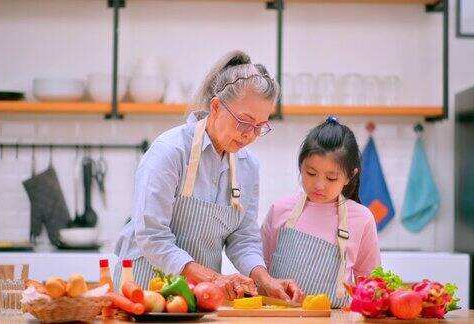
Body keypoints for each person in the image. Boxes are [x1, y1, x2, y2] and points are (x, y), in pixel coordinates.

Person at [113, 50, 303, 302]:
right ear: (215, 107)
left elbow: (242, 238)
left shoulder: (248, 166)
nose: (250, 135)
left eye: (260, 127)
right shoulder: (170, 151)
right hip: (144, 290)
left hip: (200, 298)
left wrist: (266, 281)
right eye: (244, 122)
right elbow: (152, 236)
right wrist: (215, 278)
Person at [261, 116, 381, 308]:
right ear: (301, 166)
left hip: (334, 318)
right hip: (279, 316)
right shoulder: (280, 209)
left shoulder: (361, 219)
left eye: (331, 178)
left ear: (350, 176)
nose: (319, 185)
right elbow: (260, 272)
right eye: (310, 173)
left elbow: (370, 285)